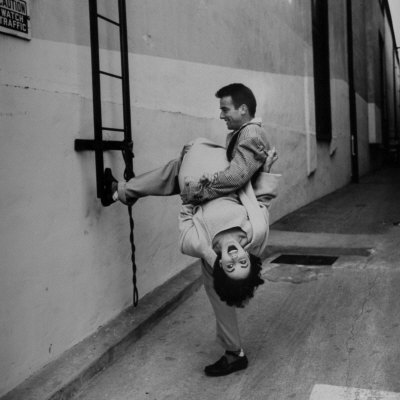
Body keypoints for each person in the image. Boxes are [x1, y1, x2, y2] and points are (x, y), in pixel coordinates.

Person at [101, 83, 280, 376]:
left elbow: (225, 184)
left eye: (225, 109)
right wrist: (267, 172)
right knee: (174, 171)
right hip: (212, 201)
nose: (222, 115)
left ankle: (120, 191)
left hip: (206, 212)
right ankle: (120, 191)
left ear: (243, 109)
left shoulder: (251, 133)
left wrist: (193, 193)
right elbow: (260, 198)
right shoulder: (253, 233)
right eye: (242, 261)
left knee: (175, 173)